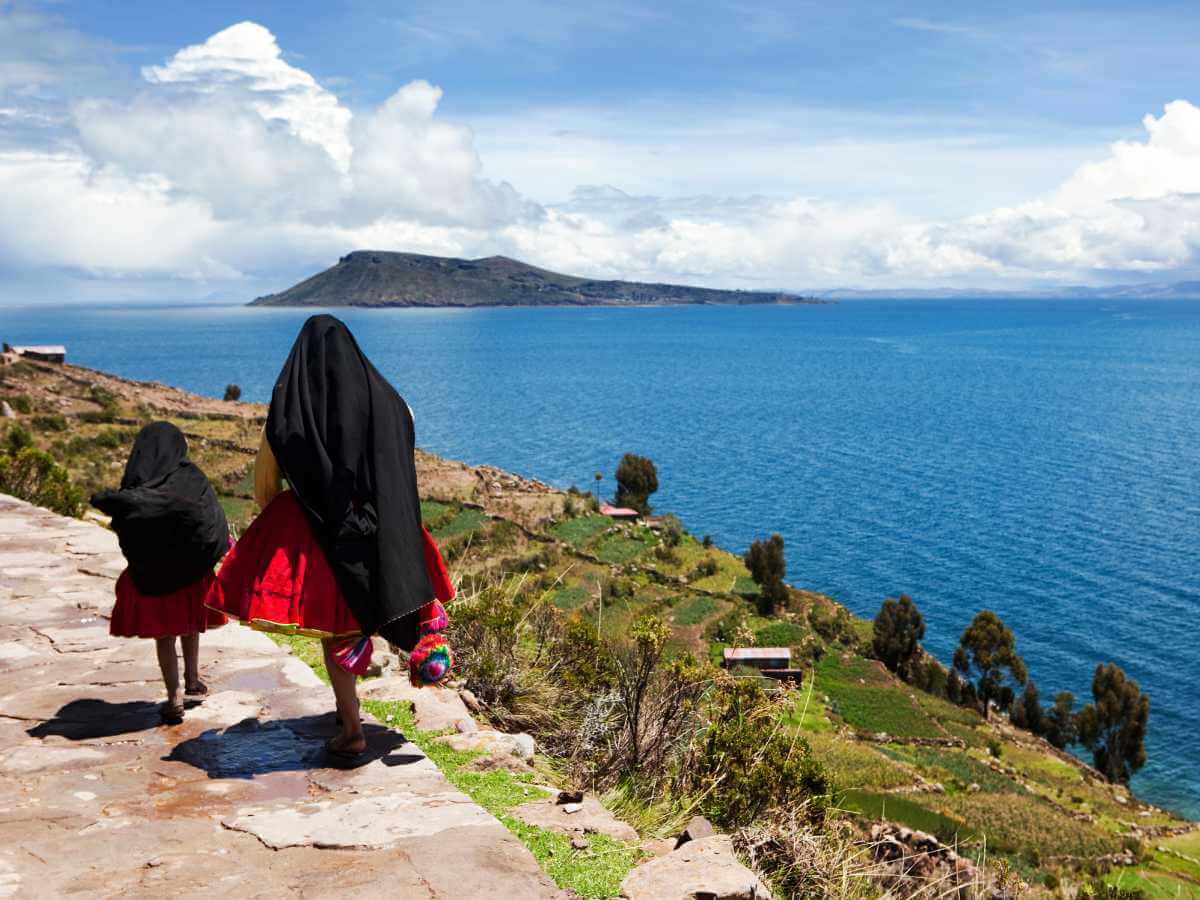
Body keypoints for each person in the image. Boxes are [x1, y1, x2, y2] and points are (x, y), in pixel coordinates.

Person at [211, 315, 454, 765]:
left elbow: (266, 484)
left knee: (334, 630)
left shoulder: (290, 417)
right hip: (387, 527)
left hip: (316, 533)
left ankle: (351, 726)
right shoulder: (393, 405)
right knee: (374, 611)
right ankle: (363, 698)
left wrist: (282, 521)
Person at [91, 422, 229, 724]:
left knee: (164, 636)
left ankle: (174, 696)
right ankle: (193, 680)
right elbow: (210, 518)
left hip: (156, 577)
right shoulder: (191, 479)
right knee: (191, 625)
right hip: (193, 574)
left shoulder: (138, 486)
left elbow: (128, 519)